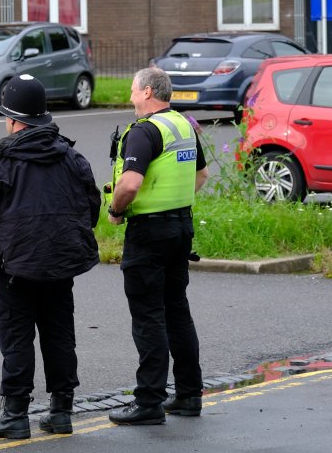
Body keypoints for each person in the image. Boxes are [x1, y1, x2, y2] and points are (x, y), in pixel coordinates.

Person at [0, 75, 101, 440]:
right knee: (59, 334)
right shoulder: (72, 157)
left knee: (16, 337)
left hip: (13, 267)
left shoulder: (0, 161)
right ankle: (61, 411)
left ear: (11, 120)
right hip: (60, 265)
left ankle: (15, 415)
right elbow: (92, 207)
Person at [106, 67, 208, 425]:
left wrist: (116, 210)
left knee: (148, 317)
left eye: (133, 89)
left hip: (148, 233)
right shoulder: (182, 125)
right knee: (176, 310)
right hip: (180, 228)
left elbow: (130, 184)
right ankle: (189, 395)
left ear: (147, 92)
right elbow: (201, 176)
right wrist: (174, 202)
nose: (130, 94)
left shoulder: (144, 131)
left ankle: (149, 401)